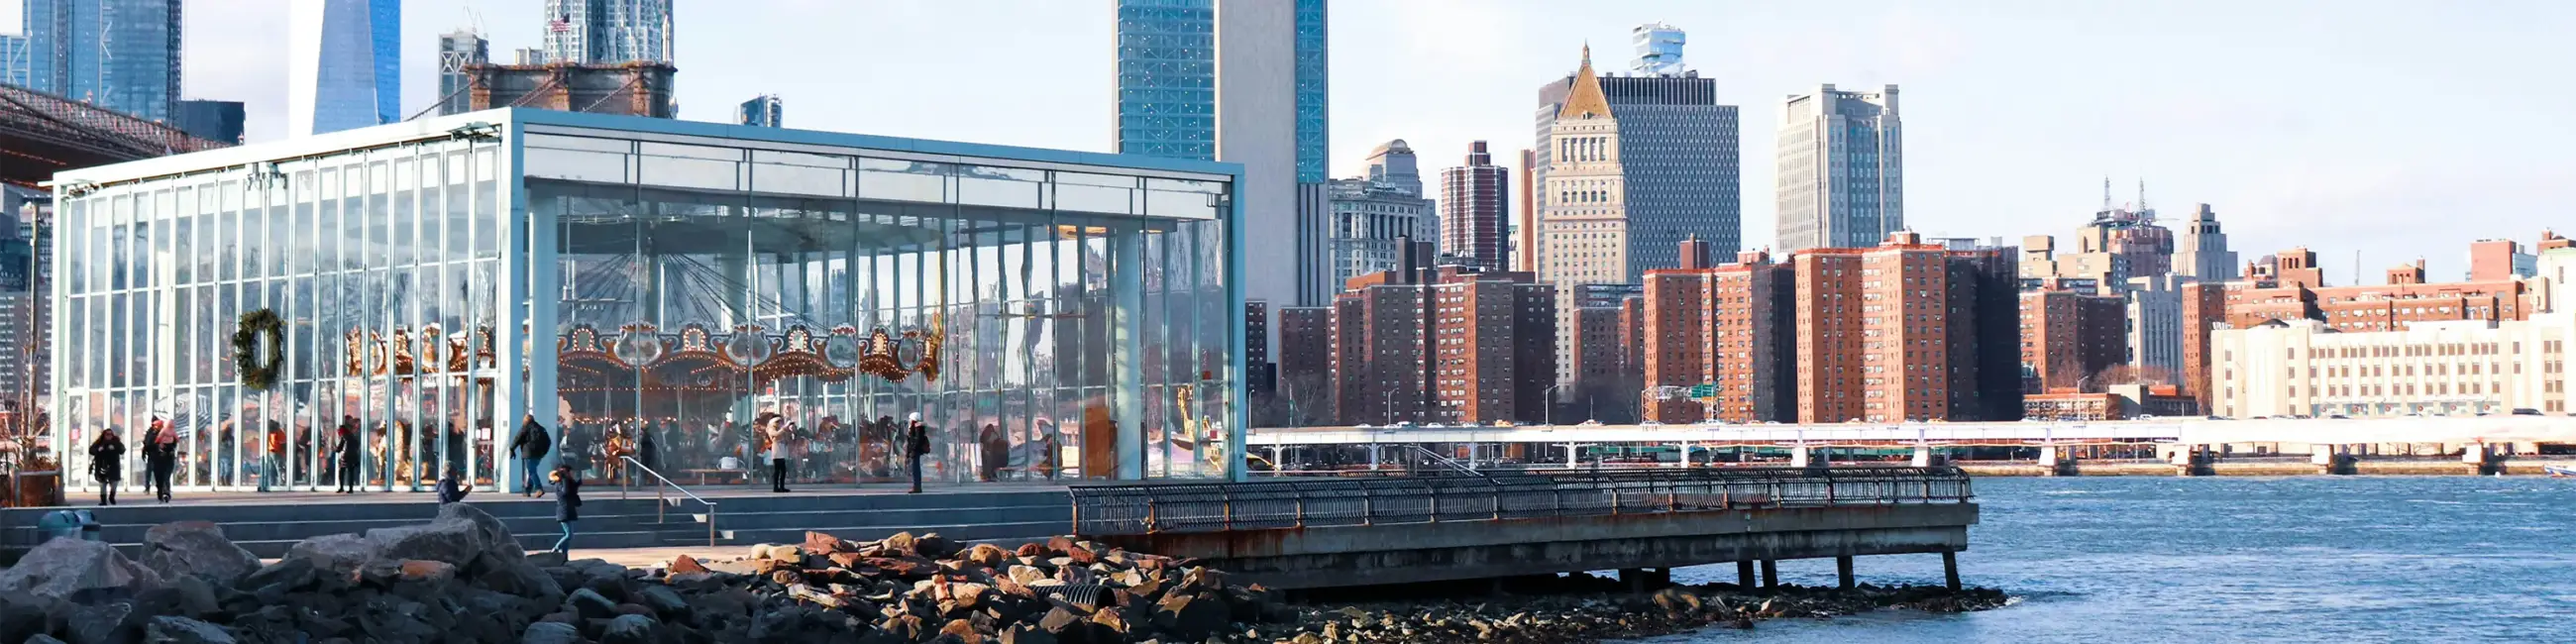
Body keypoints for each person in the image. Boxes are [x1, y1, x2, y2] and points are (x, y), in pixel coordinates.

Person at [511, 414, 550, 497]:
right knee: (532, 470)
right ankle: (527, 490)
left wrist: (512, 449)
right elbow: (548, 442)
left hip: (528, 453)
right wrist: (543, 452)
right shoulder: (541, 428)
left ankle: (539, 488)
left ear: (525, 421)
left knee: (532, 471)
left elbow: (518, 438)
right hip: (539, 454)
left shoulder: (525, 428)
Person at [87, 428, 126, 505]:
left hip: (113, 466)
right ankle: (103, 500)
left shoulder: (116, 442)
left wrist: (115, 448)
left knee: (114, 483)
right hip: (102, 465)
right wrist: (98, 450)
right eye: (107, 434)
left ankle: (112, 496)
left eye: (110, 434)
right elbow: (91, 450)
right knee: (102, 484)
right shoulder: (99, 442)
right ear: (104, 435)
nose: (109, 436)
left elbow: (122, 450)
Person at [550, 465, 582, 555]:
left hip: (567, 510)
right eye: (571, 472)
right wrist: (566, 480)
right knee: (569, 535)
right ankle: (555, 549)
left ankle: (564, 555)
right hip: (564, 511)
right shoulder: (561, 482)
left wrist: (576, 483)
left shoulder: (565, 482)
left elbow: (571, 491)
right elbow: (566, 492)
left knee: (567, 535)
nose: (572, 474)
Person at [144, 419, 178, 503]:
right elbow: (147, 445)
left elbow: (174, 443)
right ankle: (160, 493)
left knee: (166, 476)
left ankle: (166, 493)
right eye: (156, 426)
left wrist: (171, 449)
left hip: (168, 458)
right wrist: (157, 446)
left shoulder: (170, 433)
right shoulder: (152, 434)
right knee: (159, 477)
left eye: (159, 426)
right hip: (156, 458)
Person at [904, 412, 930, 493]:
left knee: (916, 470)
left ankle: (917, 487)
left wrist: (913, 450)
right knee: (914, 469)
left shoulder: (918, 428)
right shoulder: (914, 428)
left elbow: (917, 441)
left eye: (910, 419)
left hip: (915, 452)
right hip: (914, 452)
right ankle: (916, 486)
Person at [336, 418, 364, 493]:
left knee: (342, 472)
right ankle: (351, 488)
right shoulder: (353, 436)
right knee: (351, 472)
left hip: (345, 457)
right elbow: (357, 445)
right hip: (353, 456)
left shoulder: (344, 437)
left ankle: (341, 487)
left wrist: (335, 449)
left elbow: (339, 448)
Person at [767, 416, 794, 492]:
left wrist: (789, 430)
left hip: (782, 451)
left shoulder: (781, 430)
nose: (780, 424)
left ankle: (782, 486)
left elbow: (787, 437)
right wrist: (784, 428)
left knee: (783, 471)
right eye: (778, 422)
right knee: (777, 471)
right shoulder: (771, 429)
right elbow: (776, 434)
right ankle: (776, 487)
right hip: (777, 452)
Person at [260, 420, 285, 492]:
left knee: (270, 468)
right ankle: (281, 483)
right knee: (279, 467)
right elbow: (283, 440)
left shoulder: (266, 431)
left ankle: (272, 483)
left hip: (267, 450)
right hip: (276, 450)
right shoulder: (278, 431)